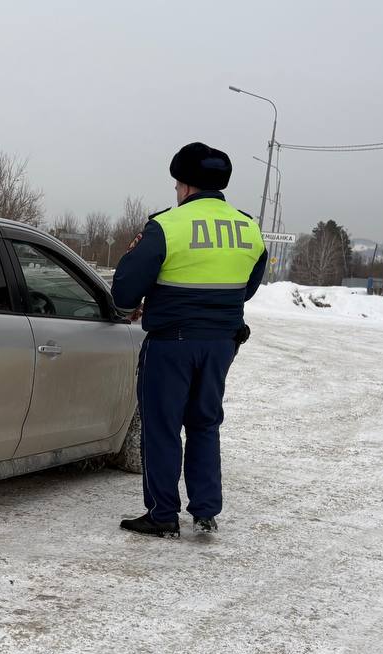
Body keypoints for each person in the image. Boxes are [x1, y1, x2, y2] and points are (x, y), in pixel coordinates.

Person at [111, 142, 268, 538]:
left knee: (162, 427)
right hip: (221, 344)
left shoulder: (167, 225)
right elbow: (246, 288)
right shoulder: (248, 228)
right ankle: (205, 511)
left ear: (184, 186)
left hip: (171, 343)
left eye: (177, 185)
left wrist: (137, 304)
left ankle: (163, 514)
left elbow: (125, 289)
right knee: (204, 423)